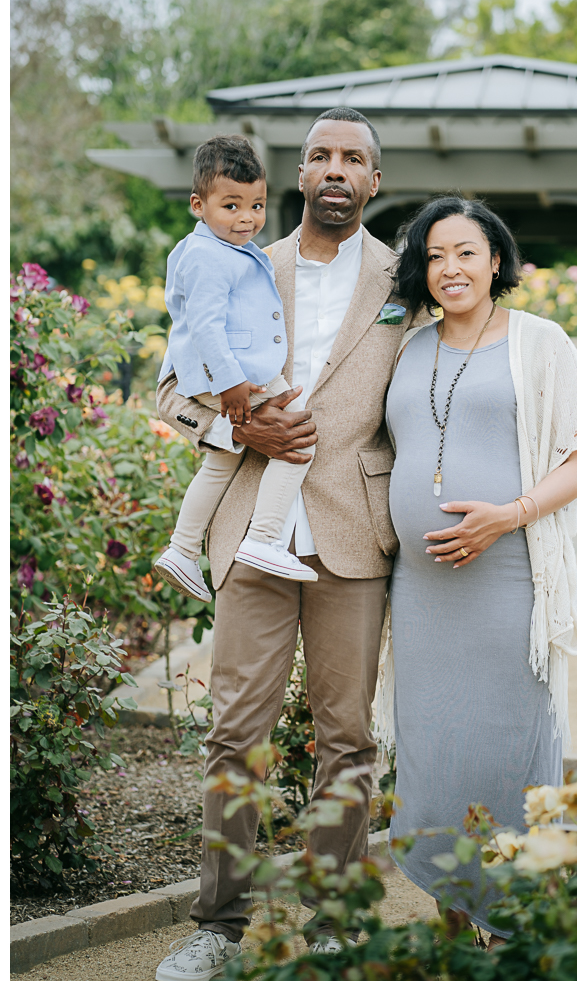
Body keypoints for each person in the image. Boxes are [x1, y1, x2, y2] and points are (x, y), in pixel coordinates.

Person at [153, 108, 431, 981]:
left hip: (354, 532)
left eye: (353, 158)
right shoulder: (234, 257)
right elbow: (170, 389)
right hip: (249, 533)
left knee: (347, 738)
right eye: (320, 156)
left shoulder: (406, 278)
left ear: (374, 182)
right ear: (297, 178)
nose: (336, 169)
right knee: (237, 733)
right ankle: (219, 925)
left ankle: (339, 916)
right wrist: (244, 434)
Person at [379, 195, 577, 946]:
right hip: (421, 599)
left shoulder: (540, 343)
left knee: (508, 748)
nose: (451, 268)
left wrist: (506, 514)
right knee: (433, 749)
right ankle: (454, 912)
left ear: (497, 262)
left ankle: (511, 921)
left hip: (507, 584)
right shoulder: (408, 346)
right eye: (436, 255)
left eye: (466, 253)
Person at [153, 134, 318, 601]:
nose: (247, 218)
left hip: (234, 374)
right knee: (299, 441)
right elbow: (205, 326)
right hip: (235, 377)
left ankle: (182, 550)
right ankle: (265, 538)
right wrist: (231, 385)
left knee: (221, 462)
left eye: (257, 205)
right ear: (198, 204)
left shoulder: (225, 248)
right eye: (231, 206)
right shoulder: (206, 255)